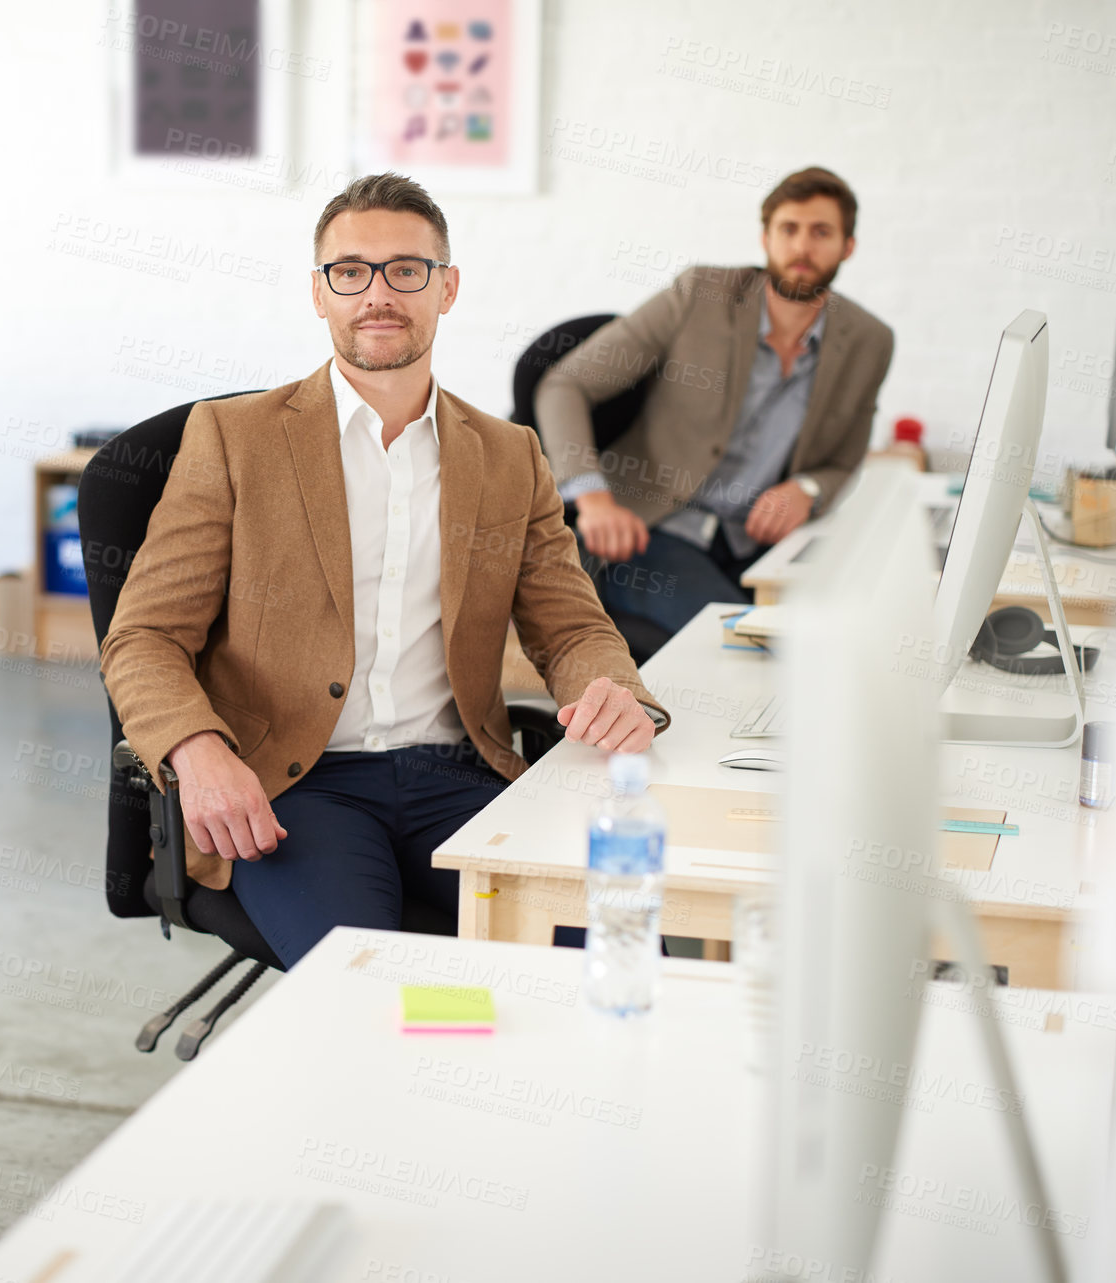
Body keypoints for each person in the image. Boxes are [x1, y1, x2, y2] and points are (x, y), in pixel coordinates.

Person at [100, 173, 670, 969]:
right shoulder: (234, 439)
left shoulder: (510, 456)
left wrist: (615, 690)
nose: (378, 293)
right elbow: (145, 636)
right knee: (373, 987)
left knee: (616, 946)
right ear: (319, 292)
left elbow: (570, 626)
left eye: (407, 269)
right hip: (299, 788)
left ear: (447, 289)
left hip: (457, 777)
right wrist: (199, 752)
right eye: (350, 271)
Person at [534, 166, 894, 636]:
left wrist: (806, 490)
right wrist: (595, 500)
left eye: (821, 232)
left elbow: (842, 462)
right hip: (650, 533)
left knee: (861, 625)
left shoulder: (869, 340)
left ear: (848, 246)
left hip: (758, 543)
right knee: (760, 641)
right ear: (765, 238)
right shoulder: (700, 294)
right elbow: (566, 384)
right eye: (789, 229)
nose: (802, 247)